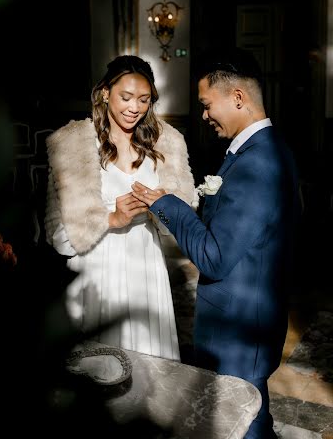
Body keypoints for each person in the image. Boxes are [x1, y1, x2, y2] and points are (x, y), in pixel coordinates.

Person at [132, 47, 300, 438]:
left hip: (240, 330)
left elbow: (215, 257)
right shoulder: (264, 151)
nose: (204, 115)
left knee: (242, 425)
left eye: (207, 105)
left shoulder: (258, 163)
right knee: (249, 419)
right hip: (249, 320)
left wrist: (166, 204)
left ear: (237, 98)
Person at [44, 55, 198, 361]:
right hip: (96, 272)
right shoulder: (73, 146)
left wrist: (160, 206)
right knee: (97, 376)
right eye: (126, 97)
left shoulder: (166, 147)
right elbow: (59, 237)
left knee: (151, 375)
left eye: (143, 100)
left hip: (146, 268)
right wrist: (111, 218)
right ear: (105, 92)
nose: (134, 108)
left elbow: (183, 221)